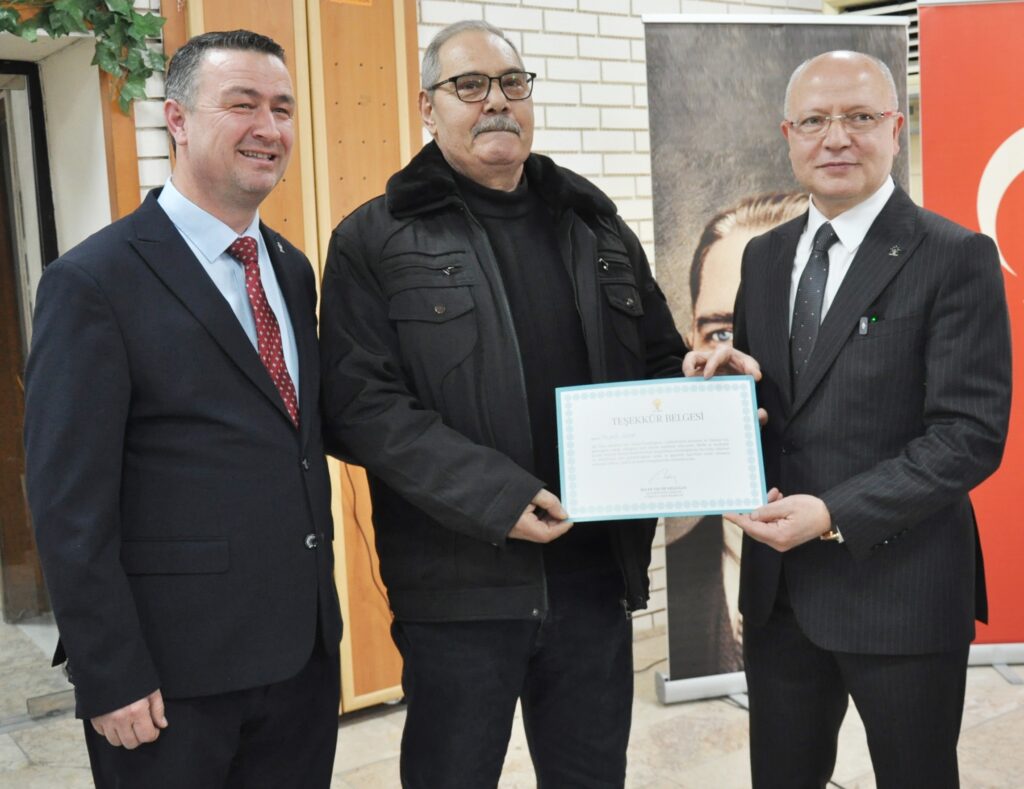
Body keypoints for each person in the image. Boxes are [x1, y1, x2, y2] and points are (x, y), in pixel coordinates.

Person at [319, 19, 684, 789]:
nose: (496, 102)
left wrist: (708, 391)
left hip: (593, 577)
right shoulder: (375, 238)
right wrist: (497, 495)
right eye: (470, 85)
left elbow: (658, 361)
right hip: (458, 589)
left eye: (513, 84)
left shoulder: (595, 225)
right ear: (428, 106)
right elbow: (360, 406)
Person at [23, 30, 342, 788]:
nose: (269, 128)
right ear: (177, 119)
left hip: (300, 661)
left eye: (283, 108)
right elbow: (68, 503)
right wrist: (109, 671)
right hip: (170, 679)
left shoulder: (291, 268)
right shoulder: (93, 281)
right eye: (243, 104)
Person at [686, 51, 1011, 788]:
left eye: (860, 117)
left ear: (895, 129)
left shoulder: (954, 256)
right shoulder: (765, 258)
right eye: (814, 121)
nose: (836, 137)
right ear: (788, 136)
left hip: (901, 589)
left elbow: (969, 435)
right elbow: (779, 402)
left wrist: (833, 513)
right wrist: (720, 387)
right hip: (779, 595)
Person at [666, 192, 808, 679]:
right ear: (691, 340)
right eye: (721, 334)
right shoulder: (681, 571)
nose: (741, 360)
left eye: (792, 327)